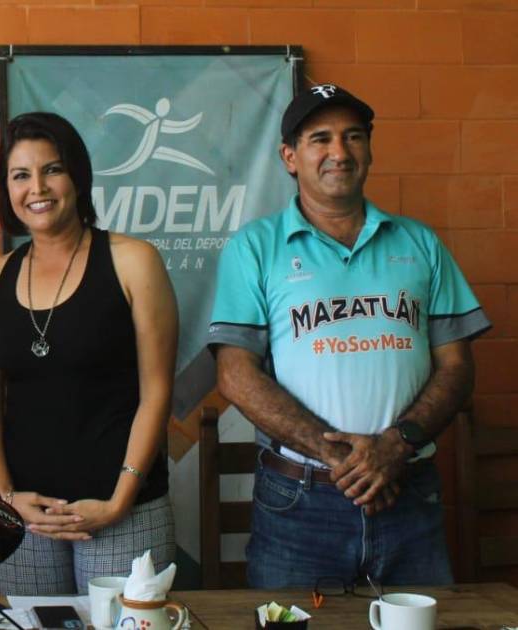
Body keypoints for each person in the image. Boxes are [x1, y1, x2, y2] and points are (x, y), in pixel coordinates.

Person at [209, 84, 491, 587]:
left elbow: (457, 365)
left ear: (369, 149)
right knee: (294, 623)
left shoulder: (420, 242)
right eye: (320, 139)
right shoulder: (255, 247)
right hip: (301, 502)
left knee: (420, 623)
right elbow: (234, 375)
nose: (339, 152)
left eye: (353, 136)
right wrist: (351, 462)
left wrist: (395, 447)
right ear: (289, 157)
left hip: (408, 493)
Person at [0, 112, 179, 595]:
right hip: (26, 518)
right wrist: (6, 496)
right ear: (6, 188)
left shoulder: (133, 261)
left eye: (52, 169)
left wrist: (120, 499)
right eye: (20, 175)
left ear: (78, 178)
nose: (37, 188)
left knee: (124, 627)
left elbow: (157, 393)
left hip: (123, 512)